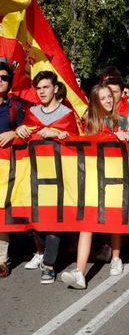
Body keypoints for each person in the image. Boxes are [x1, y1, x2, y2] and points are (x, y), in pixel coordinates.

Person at [60, 84, 129, 290]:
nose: (108, 100)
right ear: (95, 102)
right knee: (87, 222)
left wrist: (123, 137)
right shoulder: (88, 122)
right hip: (93, 176)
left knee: (114, 218)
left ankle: (116, 257)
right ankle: (80, 272)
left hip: (116, 175)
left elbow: (128, 144)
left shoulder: (122, 120)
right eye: (103, 98)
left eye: (110, 96)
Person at [16, 71, 81, 284]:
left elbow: (76, 142)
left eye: (45, 87)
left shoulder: (66, 114)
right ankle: (53, 250)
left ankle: (49, 265)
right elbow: (24, 138)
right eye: (39, 88)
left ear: (55, 88)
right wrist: (21, 129)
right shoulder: (31, 112)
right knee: (35, 220)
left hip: (61, 176)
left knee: (55, 219)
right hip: (35, 176)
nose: (42, 91)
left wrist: (58, 135)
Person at [0, 62, 24, 278]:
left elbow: (26, 129)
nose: (0, 80)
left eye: (5, 77)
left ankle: (2, 260)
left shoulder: (15, 106)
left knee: (1, 211)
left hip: (6, 165)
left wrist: (14, 133)